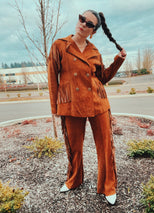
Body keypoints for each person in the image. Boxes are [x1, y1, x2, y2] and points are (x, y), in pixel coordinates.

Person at [48, 10, 126, 205]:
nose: (82, 23)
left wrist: (118, 61)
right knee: (74, 147)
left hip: (98, 102)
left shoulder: (94, 51)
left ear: (93, 31)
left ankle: (109, 186)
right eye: (81, 18)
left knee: (105, 147)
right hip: (70, 104)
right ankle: (74, 180)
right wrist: (55, 108)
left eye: (89, 24)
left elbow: (103, 78)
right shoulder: (60, 46)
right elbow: (52, 78)